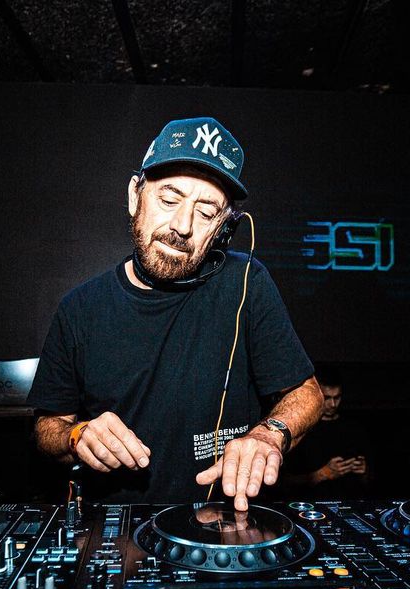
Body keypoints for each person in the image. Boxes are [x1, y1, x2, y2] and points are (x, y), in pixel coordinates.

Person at [27, 117, 323, 511]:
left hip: (227, 522)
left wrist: (268, 435)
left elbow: (308, 394)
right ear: (135, 196)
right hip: (120, 524)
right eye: (169, 200)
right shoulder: (79, 308)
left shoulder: (247, 283)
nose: (182, 226)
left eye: (206, 212)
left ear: (223, 228)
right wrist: (77, 436)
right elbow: (47, 428)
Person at [284, 367, 373, 500]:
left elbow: (370, 482)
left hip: (350, 502)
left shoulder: (354, 429)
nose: (333, 404)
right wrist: (322, 474)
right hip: (313, 504)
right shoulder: (302, 430)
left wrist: (363, 471)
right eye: (327, 398)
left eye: (337, 397)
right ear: (316, 396)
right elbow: (283, 483)